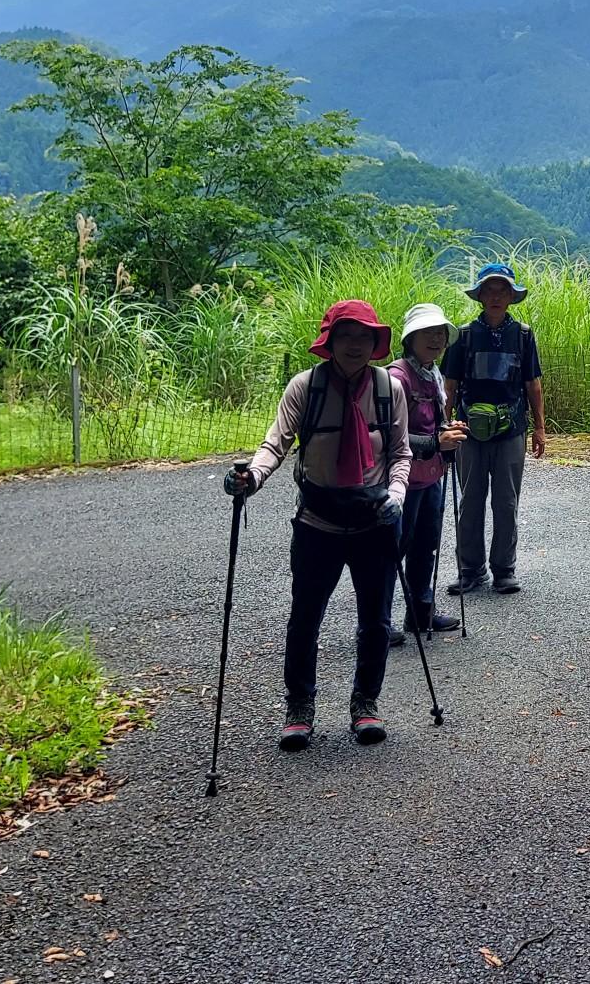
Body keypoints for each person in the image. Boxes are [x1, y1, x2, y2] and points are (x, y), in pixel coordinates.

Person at [226, 299, 411, 750]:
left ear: (375, 344)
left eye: (364, 337)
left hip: (374, 521)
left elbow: (401, 453)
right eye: (346, 336)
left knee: (377, 620)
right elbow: (276, 444)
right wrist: (251, 477)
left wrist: (398, 496)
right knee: (305, 617)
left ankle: (366, 703)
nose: (355, 345)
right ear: (329, 342)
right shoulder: (304, 388)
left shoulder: (389, 390)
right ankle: (299, 706)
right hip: (317, 522)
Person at [443, 262, 547, 596]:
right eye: (490, 289)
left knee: (506, 502)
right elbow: (450, 385)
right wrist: (445, 427)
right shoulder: (464, 336)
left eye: (502, 289)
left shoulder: (523, 335)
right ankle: (471, 570)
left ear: (511, 296)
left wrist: (539, 429)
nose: (496, 296)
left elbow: (533, 385)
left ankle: (504, 570)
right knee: (470, 501)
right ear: (481, 295)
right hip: (469, 431)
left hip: (512, 429)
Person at [385, 303, 467, 648]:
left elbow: (432, 423)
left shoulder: (432, 373)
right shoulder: (397, 377)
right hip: (401, 479)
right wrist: (436, 440)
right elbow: (387, 434)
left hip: (431, 473)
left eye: (441, 334)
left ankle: (420, 612)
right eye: (428, 333)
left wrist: (448, 432)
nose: (436, 339)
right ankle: (379, 620)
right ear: (410, 338)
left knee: (425, 546)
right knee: (392, 549)